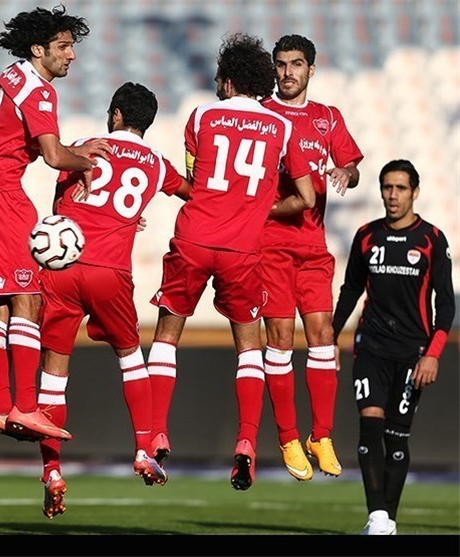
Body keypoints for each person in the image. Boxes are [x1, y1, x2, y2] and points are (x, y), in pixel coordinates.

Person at [146, 33, 316, 491]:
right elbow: (306, 197)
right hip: (243, 249)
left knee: (166, 336)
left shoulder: (201, 115)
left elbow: (194, 179)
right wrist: (261, 208)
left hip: (194, 238)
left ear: (226, 81)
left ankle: (155, 433)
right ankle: (246, 442)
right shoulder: (282, 127)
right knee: (248, 347)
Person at [36, 82, 192, 519]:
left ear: (117, 115)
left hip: (63, 268)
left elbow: (60, 205)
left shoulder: (86, 147)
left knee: (54, 375)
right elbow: (193, 193)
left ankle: (51, 472)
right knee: (131, 359)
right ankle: (143, 448)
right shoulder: (157, 164)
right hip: (111, 272)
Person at [0, 6, 109, 442]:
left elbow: (37, 144)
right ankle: (26, 407)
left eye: (72, 46)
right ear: (38, 49)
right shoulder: (40, 91)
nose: (72, 55)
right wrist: (86, 164)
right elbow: (53, 156)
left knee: (0, 304)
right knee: (29, 298)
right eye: (63, 46)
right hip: (0, 196)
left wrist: (74, 150)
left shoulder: (13, 76)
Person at [259, 34, 364, 481]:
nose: (288, 72)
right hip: (271, 245)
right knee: (281, 338)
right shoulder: (261, 114)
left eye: (296, 64)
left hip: (313, 246)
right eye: (281, 64)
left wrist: (345, 171)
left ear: (311, 69)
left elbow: (354, 170)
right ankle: (288, 437)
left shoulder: (327, 117)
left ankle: (321, 436)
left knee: (323, 336)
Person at [332, 159, 455, 535]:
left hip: (413, 352)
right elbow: (350, 291)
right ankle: (377, 516)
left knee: (397, 435)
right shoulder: (366, 236)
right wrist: (330, 339)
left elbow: (445, 304)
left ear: (415, 192)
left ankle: (388, 519)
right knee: (370, 424)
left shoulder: (432, 239)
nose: (393, 195)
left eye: (401, 188)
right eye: (387, 187)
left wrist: (433, 354)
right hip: (371, 346)